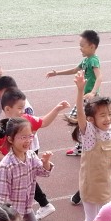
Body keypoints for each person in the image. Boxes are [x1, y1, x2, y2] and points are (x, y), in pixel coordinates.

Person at [0, 87, 68, 220]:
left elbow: (44, 122)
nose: (23, 111)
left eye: (23, 107)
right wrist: (4, 158)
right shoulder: (0, 129)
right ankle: (12, 214)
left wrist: (57, 109)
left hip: (28, 156)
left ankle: (40, 206)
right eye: (19, 108)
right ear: (8, 109)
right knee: (15, 187)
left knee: (28, 181)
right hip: (12, 165)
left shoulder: (26, 119)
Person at [69, 75, 111, 221]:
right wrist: (80, 90)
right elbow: (81, 113)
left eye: (109, 114)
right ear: (91, 120)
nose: (108, 118)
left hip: (106, 182)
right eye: (103, 115)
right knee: (92, 220)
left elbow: (110, 153)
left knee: (110, 219)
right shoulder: (89, 133)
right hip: (91, 184)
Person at [46, 29, 102, 157]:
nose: (80, 48)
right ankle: (85, 145)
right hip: (84, 96)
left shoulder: (93, 60)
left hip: (89, 98)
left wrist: (93, 92)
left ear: (92, 46)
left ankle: (85, 146)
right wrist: (57, 73)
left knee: (77, 119)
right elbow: (74, 70)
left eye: (82, 46)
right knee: (81, 121)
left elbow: (99, 77)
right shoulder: (86, 60)